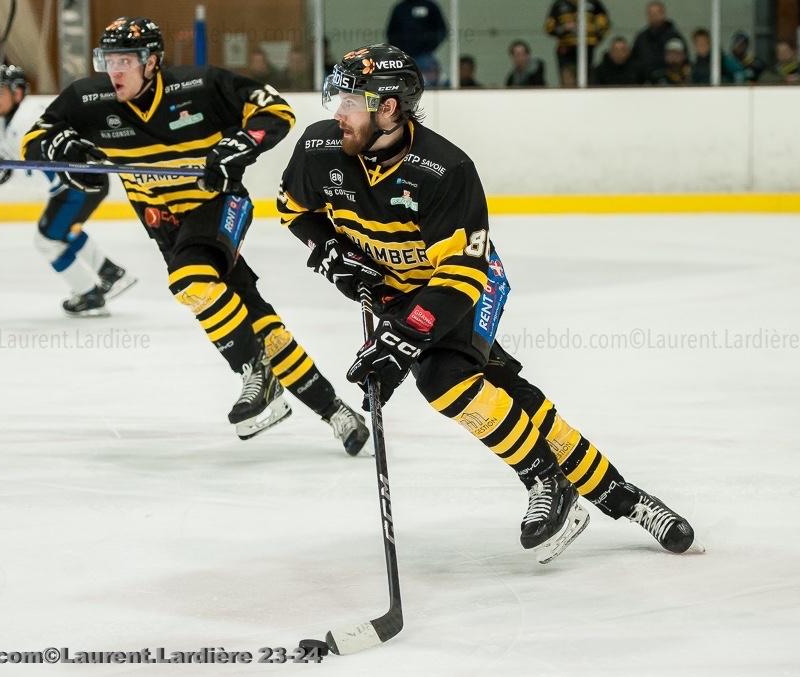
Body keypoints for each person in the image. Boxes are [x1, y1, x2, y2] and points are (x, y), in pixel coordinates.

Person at [279, 43, 698, 563]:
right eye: (337, 99)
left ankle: (545, 480)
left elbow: (460, 276)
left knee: (444, 377)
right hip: (397, 290)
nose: (337, 113)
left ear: (387, 108)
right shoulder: (320, 148)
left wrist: (402, 340)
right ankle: (626, 499)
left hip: (463, 286)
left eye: (350, 102)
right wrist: (330, 251)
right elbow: (293, 209)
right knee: (503, 393)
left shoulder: (443, 170)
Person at [20, 17, 369, 451]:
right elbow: (35, 140)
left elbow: (276, 110)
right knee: (256, 320)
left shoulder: (199, 86)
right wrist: (62, 149)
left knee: (190, 281)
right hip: (167, 227)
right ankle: (336, 412)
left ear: (152, 62)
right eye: (108, 60)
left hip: (219, 205)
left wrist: (237, 146)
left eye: (125, 61)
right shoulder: (89, 99)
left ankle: (254, 372)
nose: (115, 71)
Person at [0, 65, 131, 317]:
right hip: (70, 186)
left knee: (47, 241)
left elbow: (34, 168)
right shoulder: (1, 121)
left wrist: (3, 169)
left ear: (18, 93)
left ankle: (89, 294)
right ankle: (111, 272)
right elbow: (1, 165)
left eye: (0, 92)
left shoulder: (31, 117)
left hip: (78, 184)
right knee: (60, 233)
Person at [544, 0, 610, 82]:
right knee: (567, 76)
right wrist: (564, 28)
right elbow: (549, 28)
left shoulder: (594, 3)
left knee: (586, 77)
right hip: (566, 48)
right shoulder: (559, 4)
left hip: (587, 48)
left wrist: (587, 28)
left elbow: (604, 26)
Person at [385, 0, 448, 86]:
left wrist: (429, 47)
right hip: (403, 56)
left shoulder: (430, 6)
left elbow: (441, 30)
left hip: (424, 55)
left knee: (430, 83)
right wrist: (399, 50)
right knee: (403, 83)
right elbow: (391, 32)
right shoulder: (400, 8)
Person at [630, 2, 685, 84]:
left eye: (657, 13)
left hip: (670, 84)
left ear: (663, 14)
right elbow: (634, 61)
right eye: (651, 14)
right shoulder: (641, 38)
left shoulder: (674, 37)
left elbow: (683, 63)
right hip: (645, 84)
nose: (654, 16)